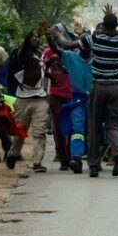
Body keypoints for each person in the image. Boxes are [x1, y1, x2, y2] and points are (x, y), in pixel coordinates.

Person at [57, 5, 118, 178]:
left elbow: (67, 44)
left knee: (93, 126)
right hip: (116, 87)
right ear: (116, 26)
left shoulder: (95, 39)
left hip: (98, 86)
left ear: (104, 25)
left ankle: (93, 165)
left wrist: (57, 35)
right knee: (113, 124)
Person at [47, 25, 93, 174]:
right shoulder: (71, 57)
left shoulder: (98, 59)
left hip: (94, 98)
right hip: (78, 100)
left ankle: (94, 159)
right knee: (77, 129)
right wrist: (49, 37)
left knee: (94, 130)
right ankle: (76, 158)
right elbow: (56, 49)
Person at [5, 28, 49, 174]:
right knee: (20, 131)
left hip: (40, 99)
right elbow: (24, 49)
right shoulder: (21, 54)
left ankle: (37, 162)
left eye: (37, 37)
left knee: (39, 132)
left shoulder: (39, 54)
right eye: (33, 37)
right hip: (23, 99)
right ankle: (13, 153)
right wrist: (28, 39)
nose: (36, 39)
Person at [43, 33, 73, 171]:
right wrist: (50, 62)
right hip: (55, 93)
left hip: (71, 91)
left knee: (73, 125)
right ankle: (64, 159)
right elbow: (42, 71)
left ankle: (73, 155)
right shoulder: (47, 52)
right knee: (59, 127)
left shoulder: (70, 52)